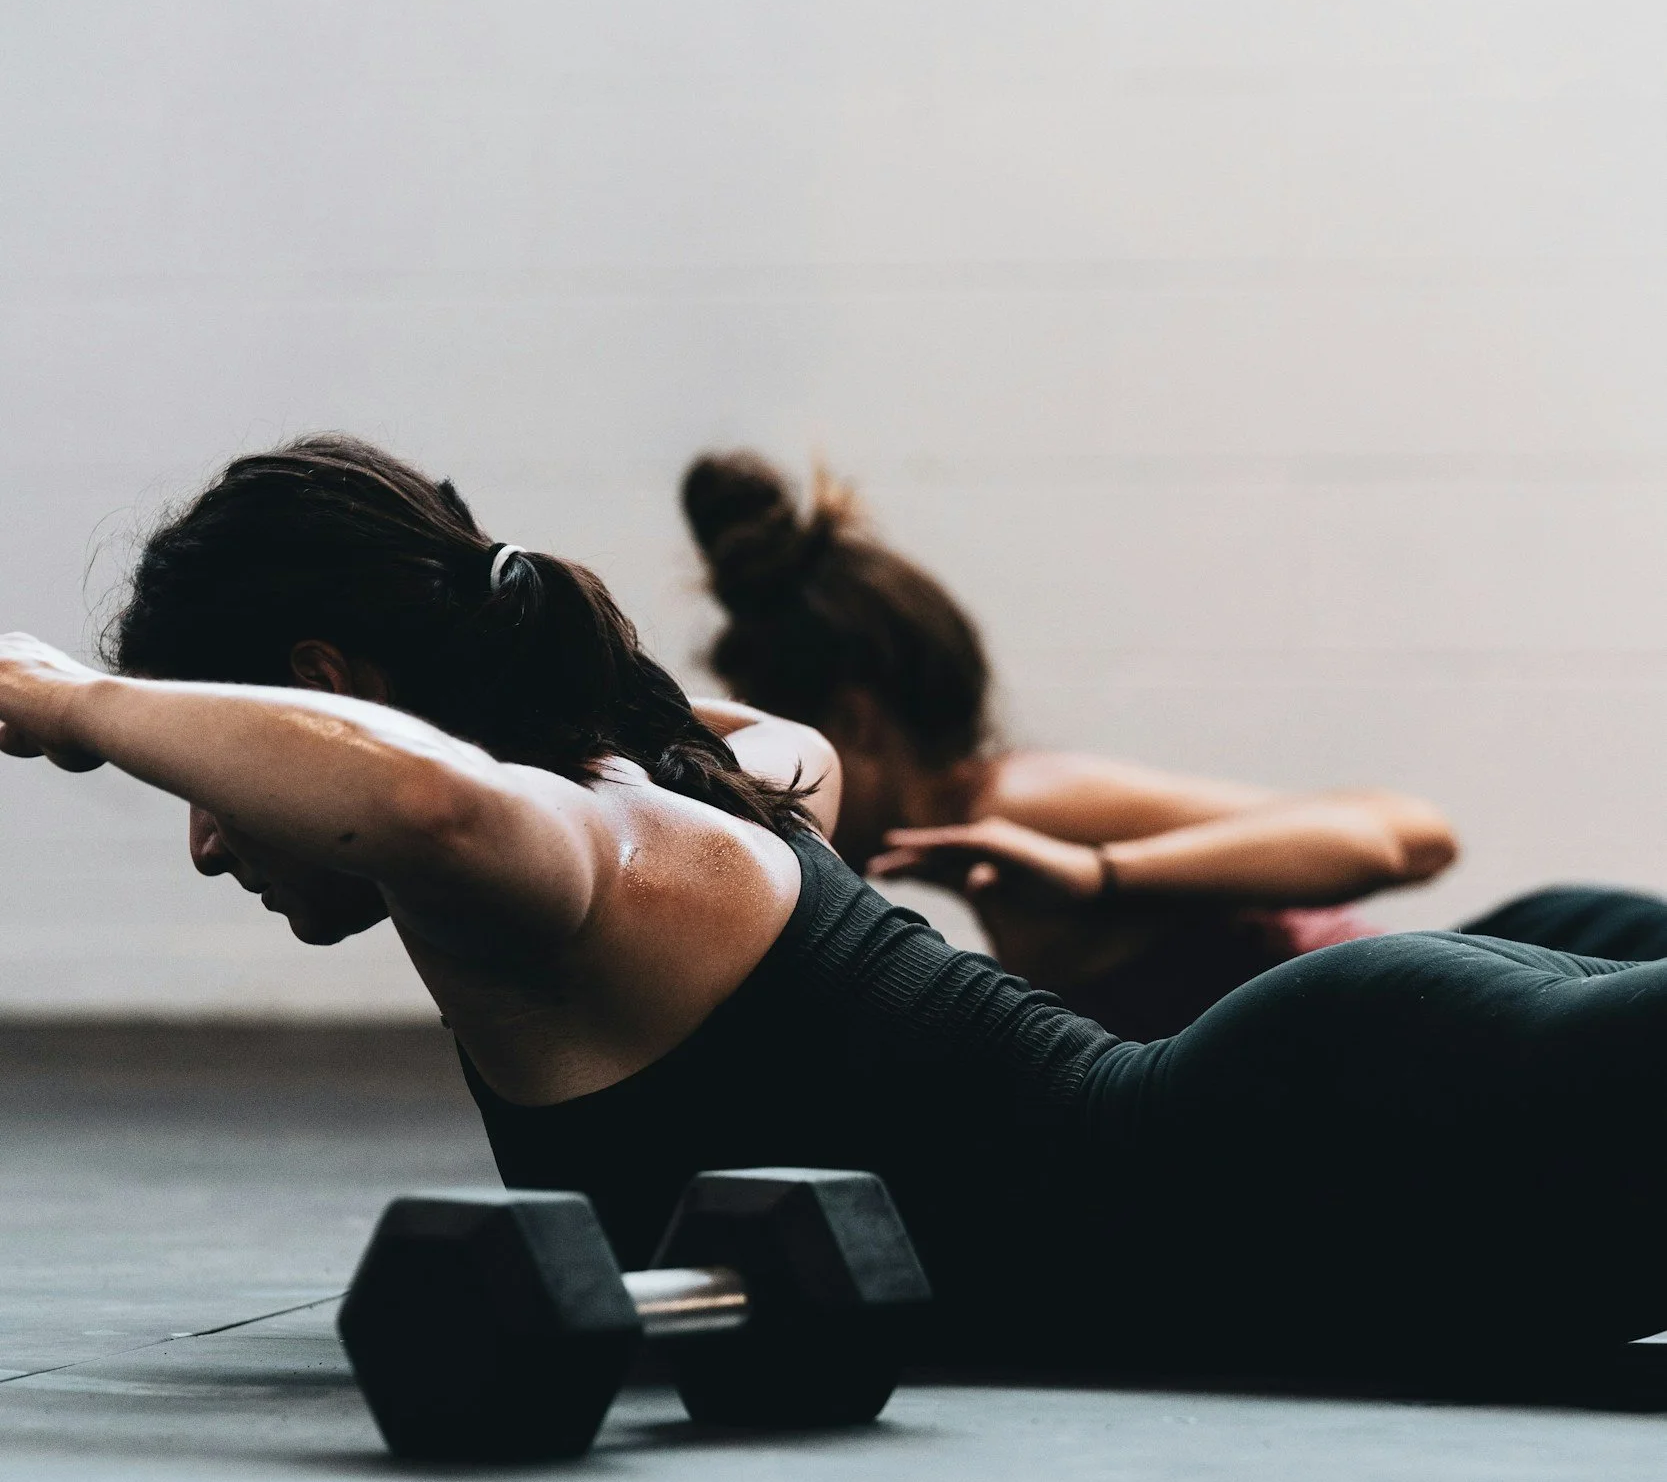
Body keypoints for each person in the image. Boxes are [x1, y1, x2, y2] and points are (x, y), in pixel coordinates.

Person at [4, 433, 1665, 1385]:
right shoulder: (703, 778)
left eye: (212, 769)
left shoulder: (559, 863)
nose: (212, 840)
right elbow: (595, 751)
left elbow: (423, 795)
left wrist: (71, 704)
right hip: (1335, 1172)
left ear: (322, 692)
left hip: (1327, 1162)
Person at [682, 453, 1667, 1036]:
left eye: (770, 748)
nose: (759, 787)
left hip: (1530, 984)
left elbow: (1402, 837)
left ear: (853, 723)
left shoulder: (1020, 805)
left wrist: (1100, 875)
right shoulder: (987, 853)